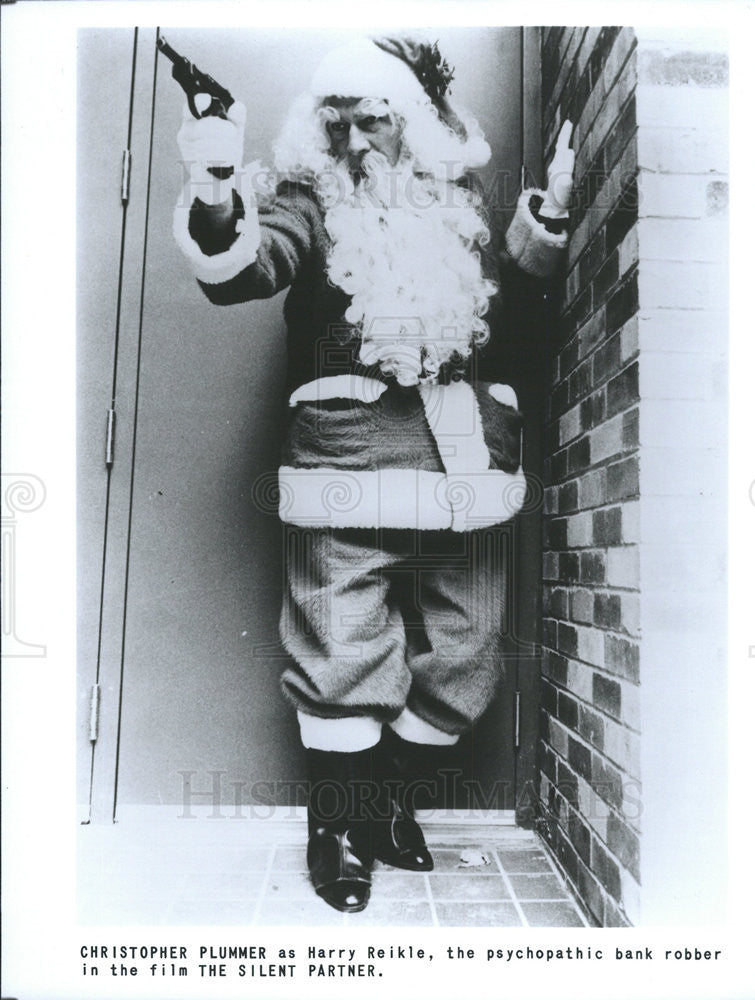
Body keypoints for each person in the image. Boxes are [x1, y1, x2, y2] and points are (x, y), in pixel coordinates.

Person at [173, 35, 573, 913]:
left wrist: (537, 236)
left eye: (376, 123)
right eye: (340, 126)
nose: (358, 144)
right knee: (342, 653)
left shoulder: (462, 205)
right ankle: (338, 830)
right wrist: (214, 186)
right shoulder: (308, 203)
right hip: (345, 467)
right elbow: (245, 265)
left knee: (467, 654)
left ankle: (384, 800)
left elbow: (506, 321)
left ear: (418, 127)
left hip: (462, 471)